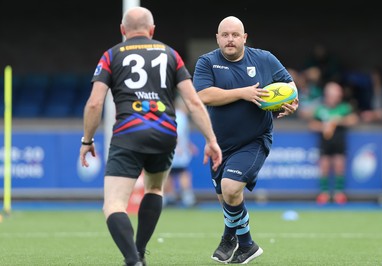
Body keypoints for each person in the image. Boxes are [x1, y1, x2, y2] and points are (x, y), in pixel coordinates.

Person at [79, 7, 222, 266]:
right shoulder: (171, 54)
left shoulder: (111, 55)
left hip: (129, 135)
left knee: (113, 205)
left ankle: (133, 260)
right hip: (165, 134)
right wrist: (211, 140)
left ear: (123, 30)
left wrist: (87, 140)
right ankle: (141, 252)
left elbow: (93, 104)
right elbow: (194, 102)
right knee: (155, 189)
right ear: (152, 30)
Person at [193, 16, 299, 264]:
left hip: (254, 139)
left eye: (235, 35)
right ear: (218, 38)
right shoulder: (207, 62)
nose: (230, 39)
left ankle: (245, 243)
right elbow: (203, 95)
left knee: (231, 188)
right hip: (220, 143)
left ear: (244, 37)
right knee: (226, 198)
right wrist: (243, 93)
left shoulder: (264, 58)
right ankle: (234, 239)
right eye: (225, 35)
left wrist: (293, 102)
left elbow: (290, 87)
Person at [308, 81, 359, 205]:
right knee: (324, 165)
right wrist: (324, 126)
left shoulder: (344, 108)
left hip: (339, 142)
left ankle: (339, 193)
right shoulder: (320, 109)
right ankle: (324, 193)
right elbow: (312, 125)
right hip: (325, 142)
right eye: (331, 95)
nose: (334, 97)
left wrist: (338, 120)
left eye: (336, 95)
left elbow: (354, 119)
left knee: (339, 165)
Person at [163, 95, 198, 207]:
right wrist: (177, 146)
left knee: (170, 174)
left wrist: (189, 145)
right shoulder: (180, 117)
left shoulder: (175, 115)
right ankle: (187, 198)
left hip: (172, 150)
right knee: (183, 173)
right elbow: (176, 133)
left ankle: (169, 197)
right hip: (177, 152)